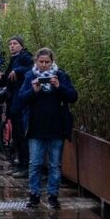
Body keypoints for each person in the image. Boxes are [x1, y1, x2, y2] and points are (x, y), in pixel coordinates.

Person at [16, 48, 78, 209]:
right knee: (35, 164)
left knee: (55, 165)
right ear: (36, 61)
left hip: (56, 128)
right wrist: (34, 91)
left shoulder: (60, 76)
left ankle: (53, 196)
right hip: (35, 129)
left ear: (52, 62)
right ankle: (34, 195)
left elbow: (73, 96)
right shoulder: (30, 76)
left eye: (47, 62)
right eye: (41, 62)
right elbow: (21, 98)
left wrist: (59, 86)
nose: (44, 65)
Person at [6, 36, 34, 177]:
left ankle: (25, 166)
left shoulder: (25, 57)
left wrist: (17, 71)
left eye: (15, 43)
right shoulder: (13, 59)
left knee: (22, 135)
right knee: (16, 136)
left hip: (21, 102)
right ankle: (19, 164)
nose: (12, 46)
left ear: (21, 45)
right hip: (13, 101)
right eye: (10, 44)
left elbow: (31, 69)